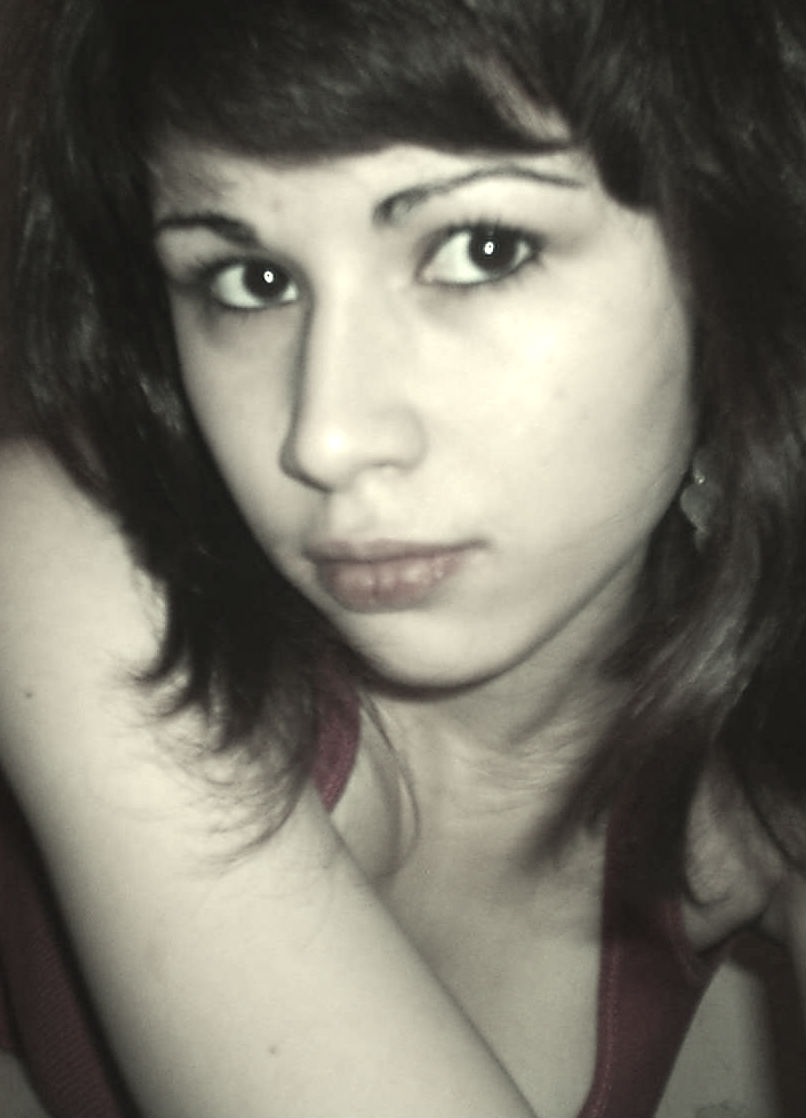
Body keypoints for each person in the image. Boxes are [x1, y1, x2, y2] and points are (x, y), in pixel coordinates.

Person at [0, 0, 804, 1115]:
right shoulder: (83, 551)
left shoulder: (746, 779)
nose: (323, 437)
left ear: (734, 261)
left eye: (482, 249)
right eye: (251, 279)